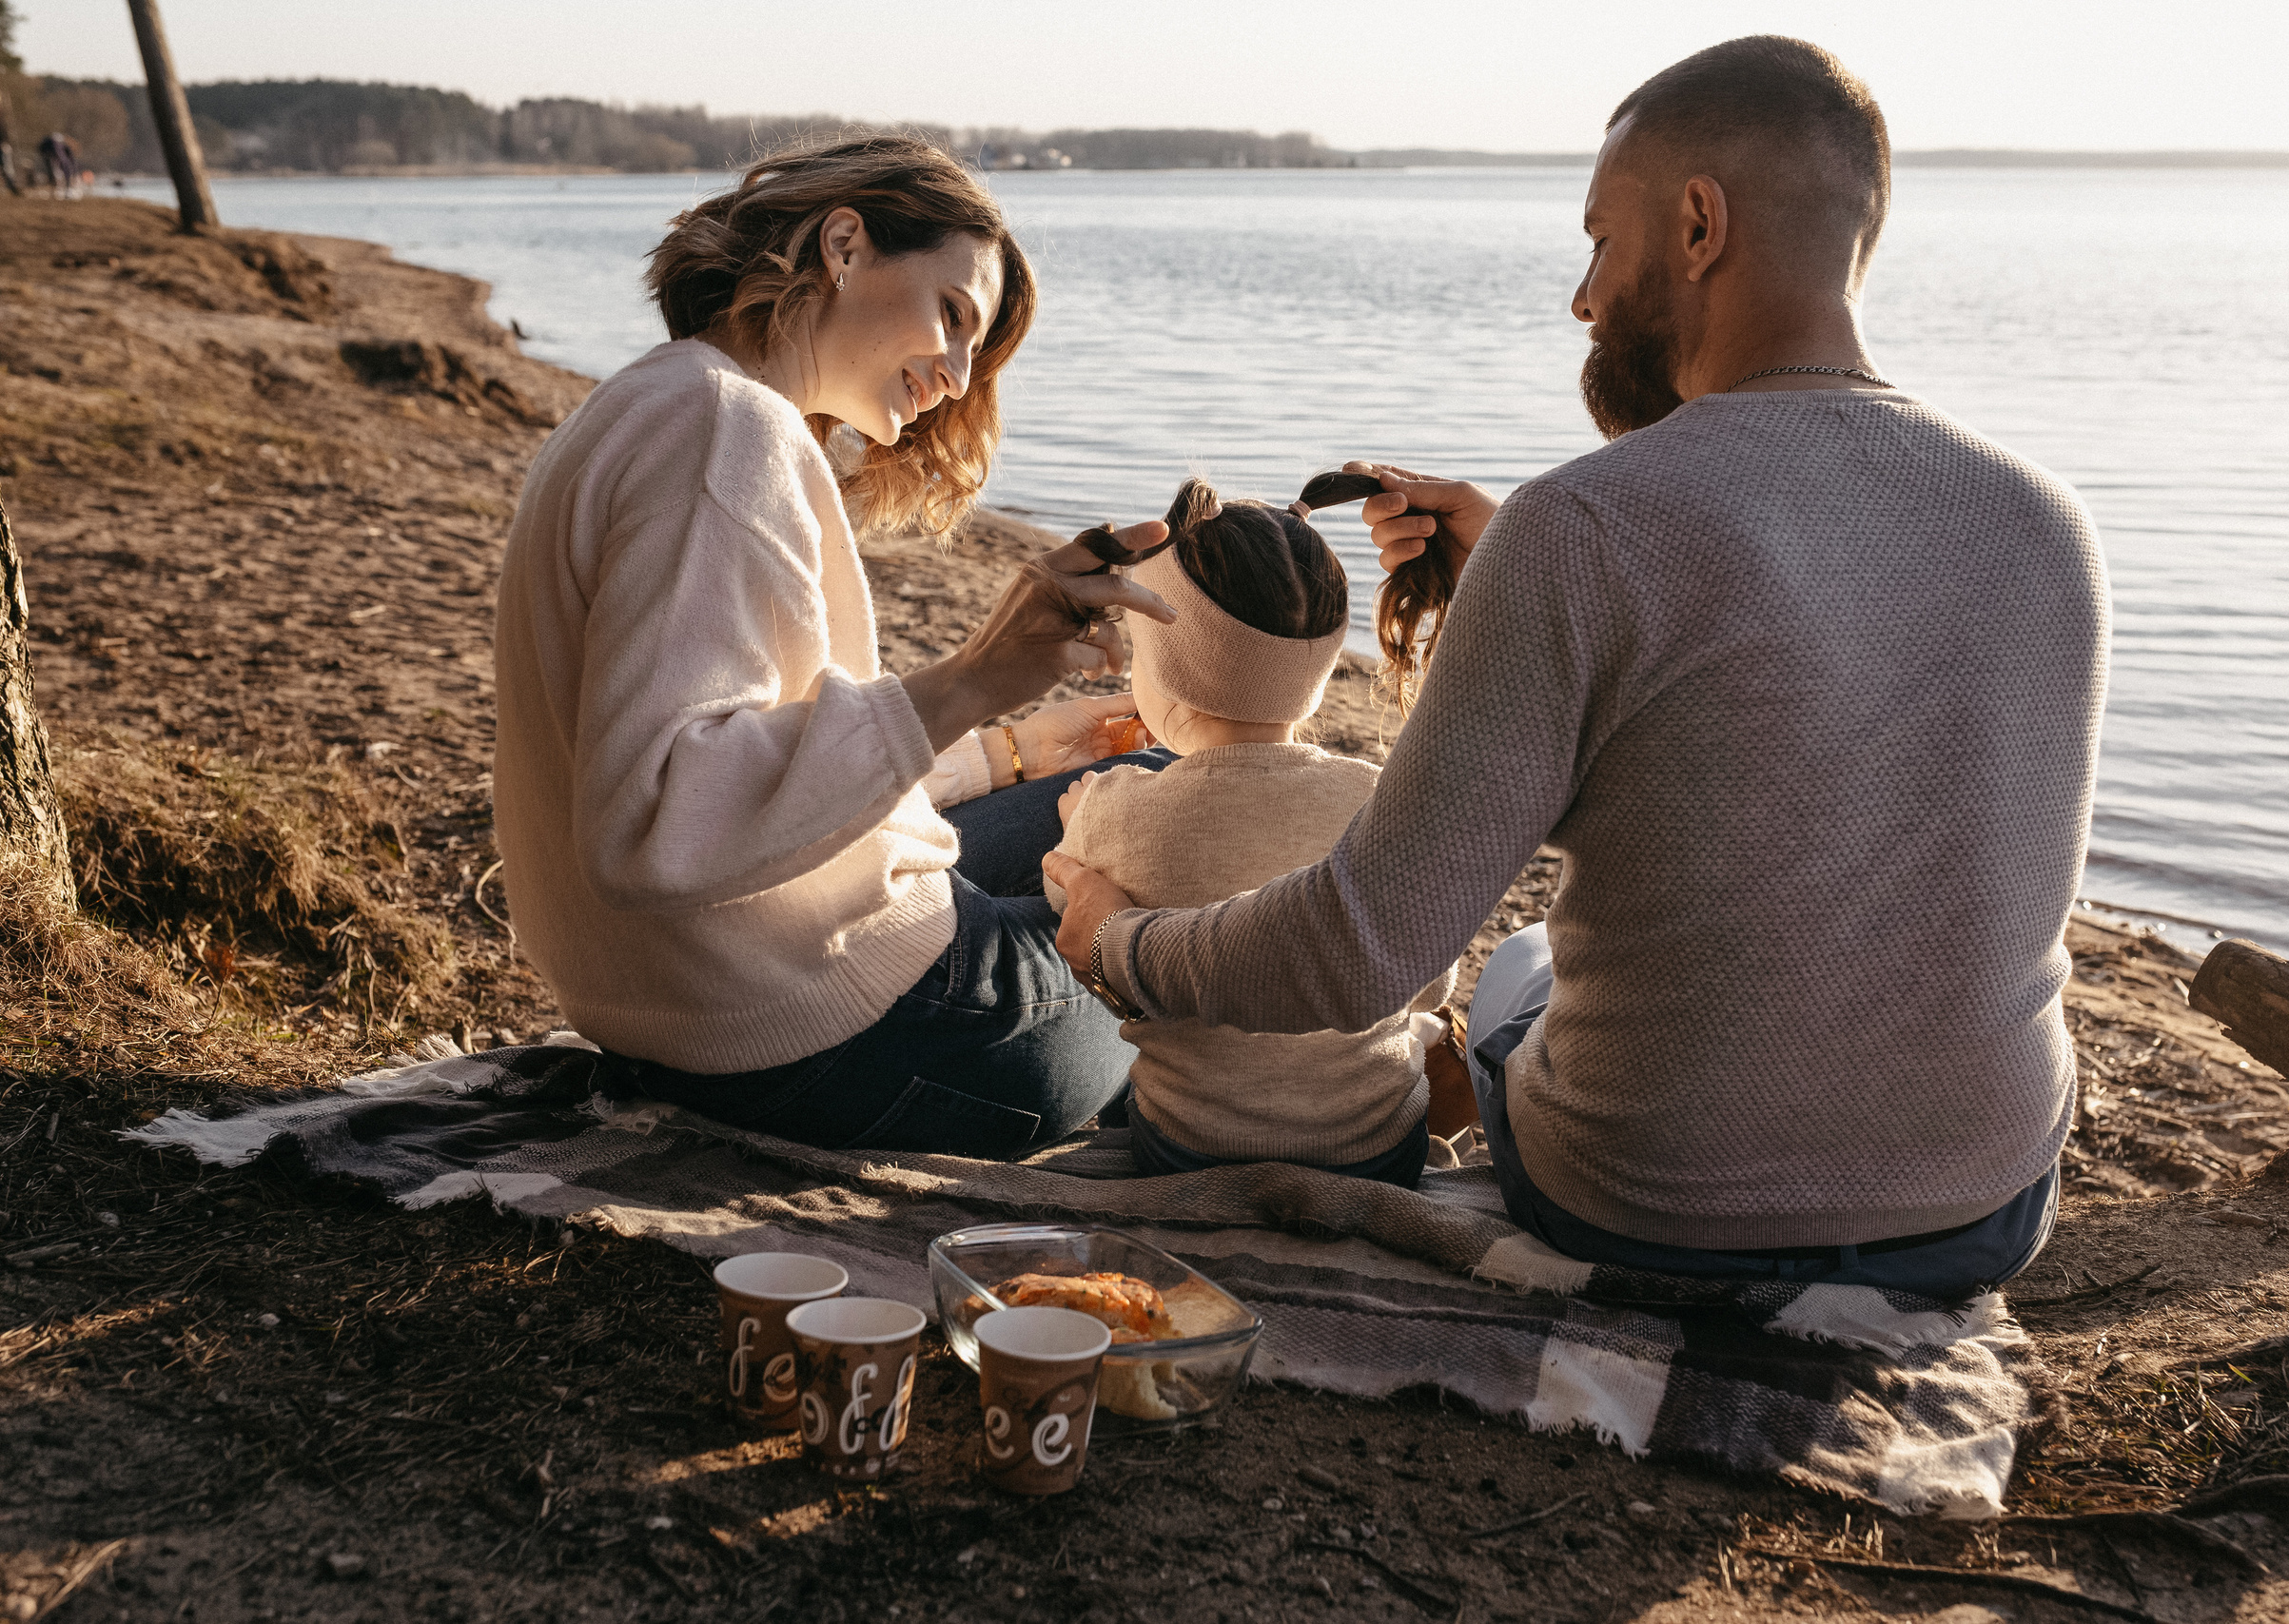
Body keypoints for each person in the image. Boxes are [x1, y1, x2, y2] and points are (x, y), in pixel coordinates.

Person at [1047, 36, 2109, 1300]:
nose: (1585, 294)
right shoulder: (2046, 519)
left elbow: (1359, 952)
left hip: (1654, 1208)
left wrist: (1121, 942)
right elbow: (1800, 704)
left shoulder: (1589, 525)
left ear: (1700, 222)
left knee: (1522, 967)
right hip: (1979, 1208)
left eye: (1602, 239)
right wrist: (1503, 569)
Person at [492, 136, 1182, 1160]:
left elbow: (742, 761)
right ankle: (1306, 1098)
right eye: (953, 315)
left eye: (973, 350)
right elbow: (660, 821)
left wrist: (1011, 751)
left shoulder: (658, 397)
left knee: (1132, 776)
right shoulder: (724, 429)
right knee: (1193, 812)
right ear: (845, 244)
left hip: (675, 1007)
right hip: (829, 1040)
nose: (953, 379)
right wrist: (974, 676)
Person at [1045, 478, 1457, 1188]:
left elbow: (1083, 937)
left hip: (1186, 1147)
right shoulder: (1381, 797)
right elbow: (1430, 978)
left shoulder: (1110, 805)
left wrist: (1079, 826)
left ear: (1165, 666)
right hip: (1378, 1154)